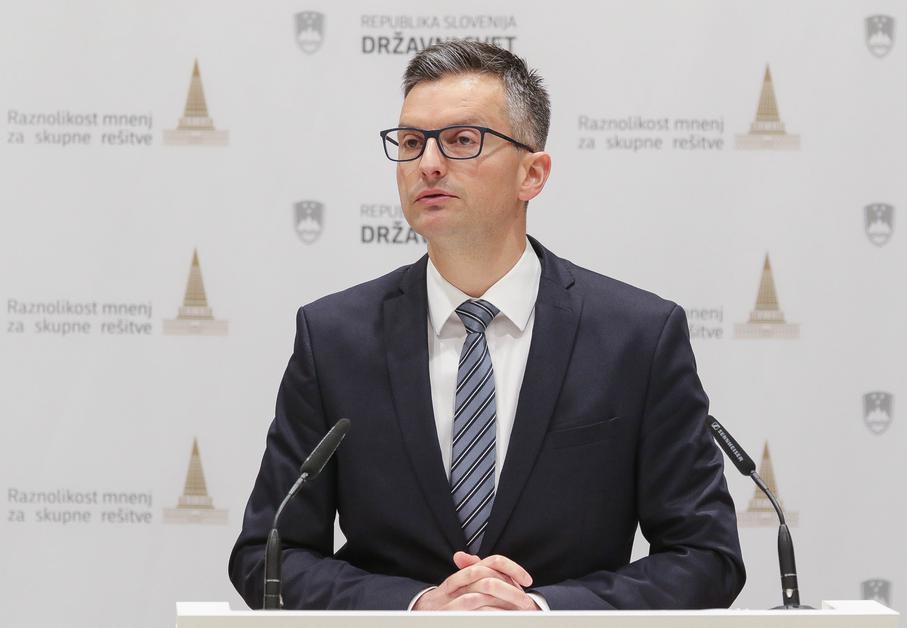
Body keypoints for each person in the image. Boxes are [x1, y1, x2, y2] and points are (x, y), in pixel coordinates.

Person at [229, 40, 745, 611]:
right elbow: (267, 554)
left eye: (461, 140)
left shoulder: (637, 337)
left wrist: (544, 611)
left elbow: (706, 555)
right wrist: (417, 607)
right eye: (411, 143)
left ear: (533, 173)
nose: (428, 164)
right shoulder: (334, 338)